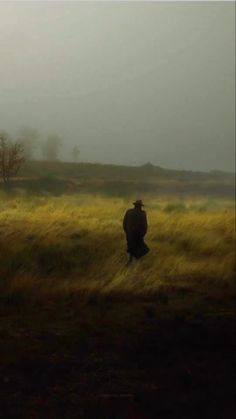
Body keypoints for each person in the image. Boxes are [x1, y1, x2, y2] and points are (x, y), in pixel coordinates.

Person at [123, 199, 150, 264]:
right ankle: (134, 264)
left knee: (130, 248)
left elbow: (124, 224)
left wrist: (127, 232)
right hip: (138, 235)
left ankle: (129, 262)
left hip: (129, 234)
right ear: (140, 206)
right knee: (141, 249)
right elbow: (145, 226)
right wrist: (142, 235)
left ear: (134, 205)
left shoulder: (129, 212)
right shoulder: (142, 214)